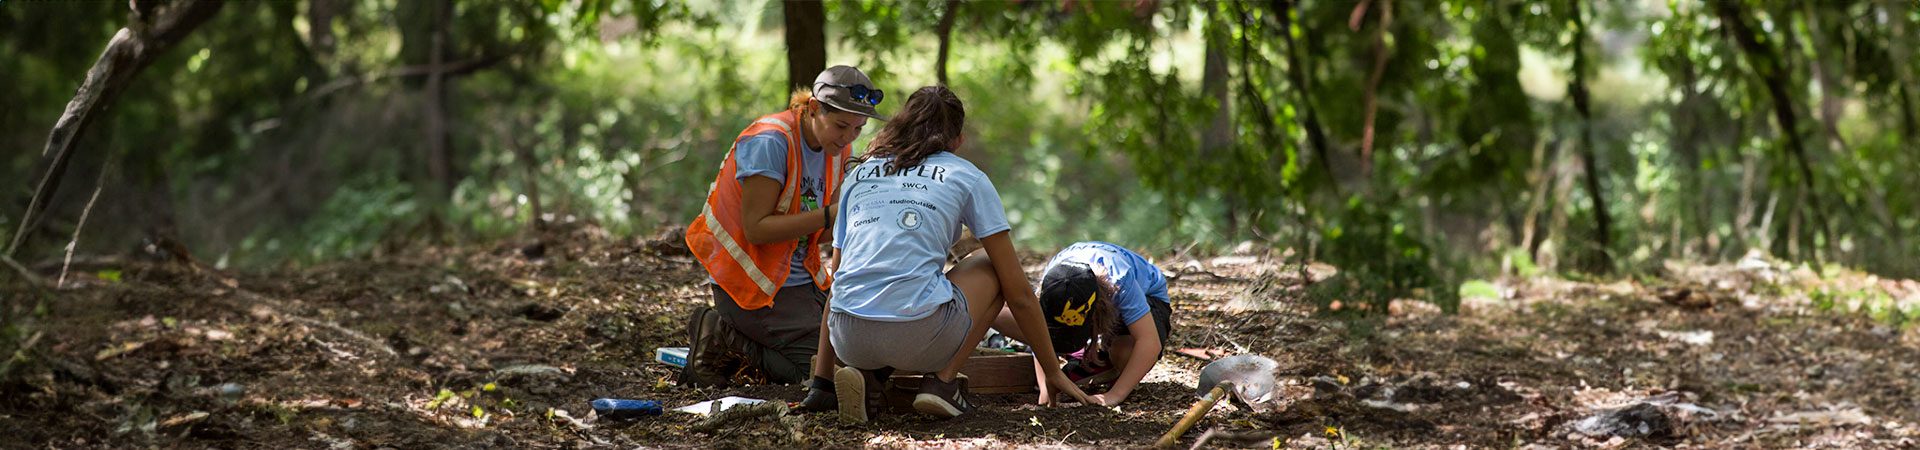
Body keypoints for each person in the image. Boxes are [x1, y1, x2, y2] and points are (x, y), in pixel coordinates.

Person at [819, 85, 1096, 423]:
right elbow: (1019, 292)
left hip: (848, 338)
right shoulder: (965, 176)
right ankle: (941, 385)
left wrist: (820, 382)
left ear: (899, 124)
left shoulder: (859, 174)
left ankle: (868, 378)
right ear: (958, 139)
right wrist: (1052, 369)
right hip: (919, 337)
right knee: (990, 264)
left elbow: (839, 279)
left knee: (879, 287)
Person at [681, 66, 884, 408]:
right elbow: (757, 229)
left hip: (800, 283)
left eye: (858, 129)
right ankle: (723, 334)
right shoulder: (769, 141)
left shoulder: (837, 149)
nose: (849, 137)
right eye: (841, 126)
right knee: (827, 373)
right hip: (749, 285)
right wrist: (829, 215)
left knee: (859, 355)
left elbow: (823, 233)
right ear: (815, 109)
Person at [993, 241, 1172, 406]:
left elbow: (1149, 342)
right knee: (1001, 315)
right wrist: (1046, 382)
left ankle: (1103, 360)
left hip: (1148, 298)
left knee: (1125, 355)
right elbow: (1038, 331)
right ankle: (1086, 355)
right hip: (1093, 303)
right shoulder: (1054, 281)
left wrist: (1114, 395)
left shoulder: (1120, 280)